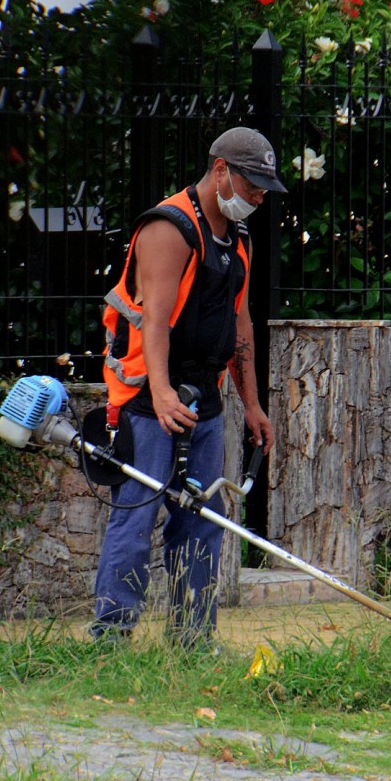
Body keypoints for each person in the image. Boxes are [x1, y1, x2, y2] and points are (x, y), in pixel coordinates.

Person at [93, 127, 287, 649]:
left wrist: (251, 405)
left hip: (204, 400)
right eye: (253, 186)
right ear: (221, 169)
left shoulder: (237, 239)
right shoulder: (169, 228)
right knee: (136, 517)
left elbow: (240, 324)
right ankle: (110, 640)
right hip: (147, 402)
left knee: (202, 521)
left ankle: (193, 642)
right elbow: (154, 318)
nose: (259, 198)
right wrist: (159, 393)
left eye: (265, 189)